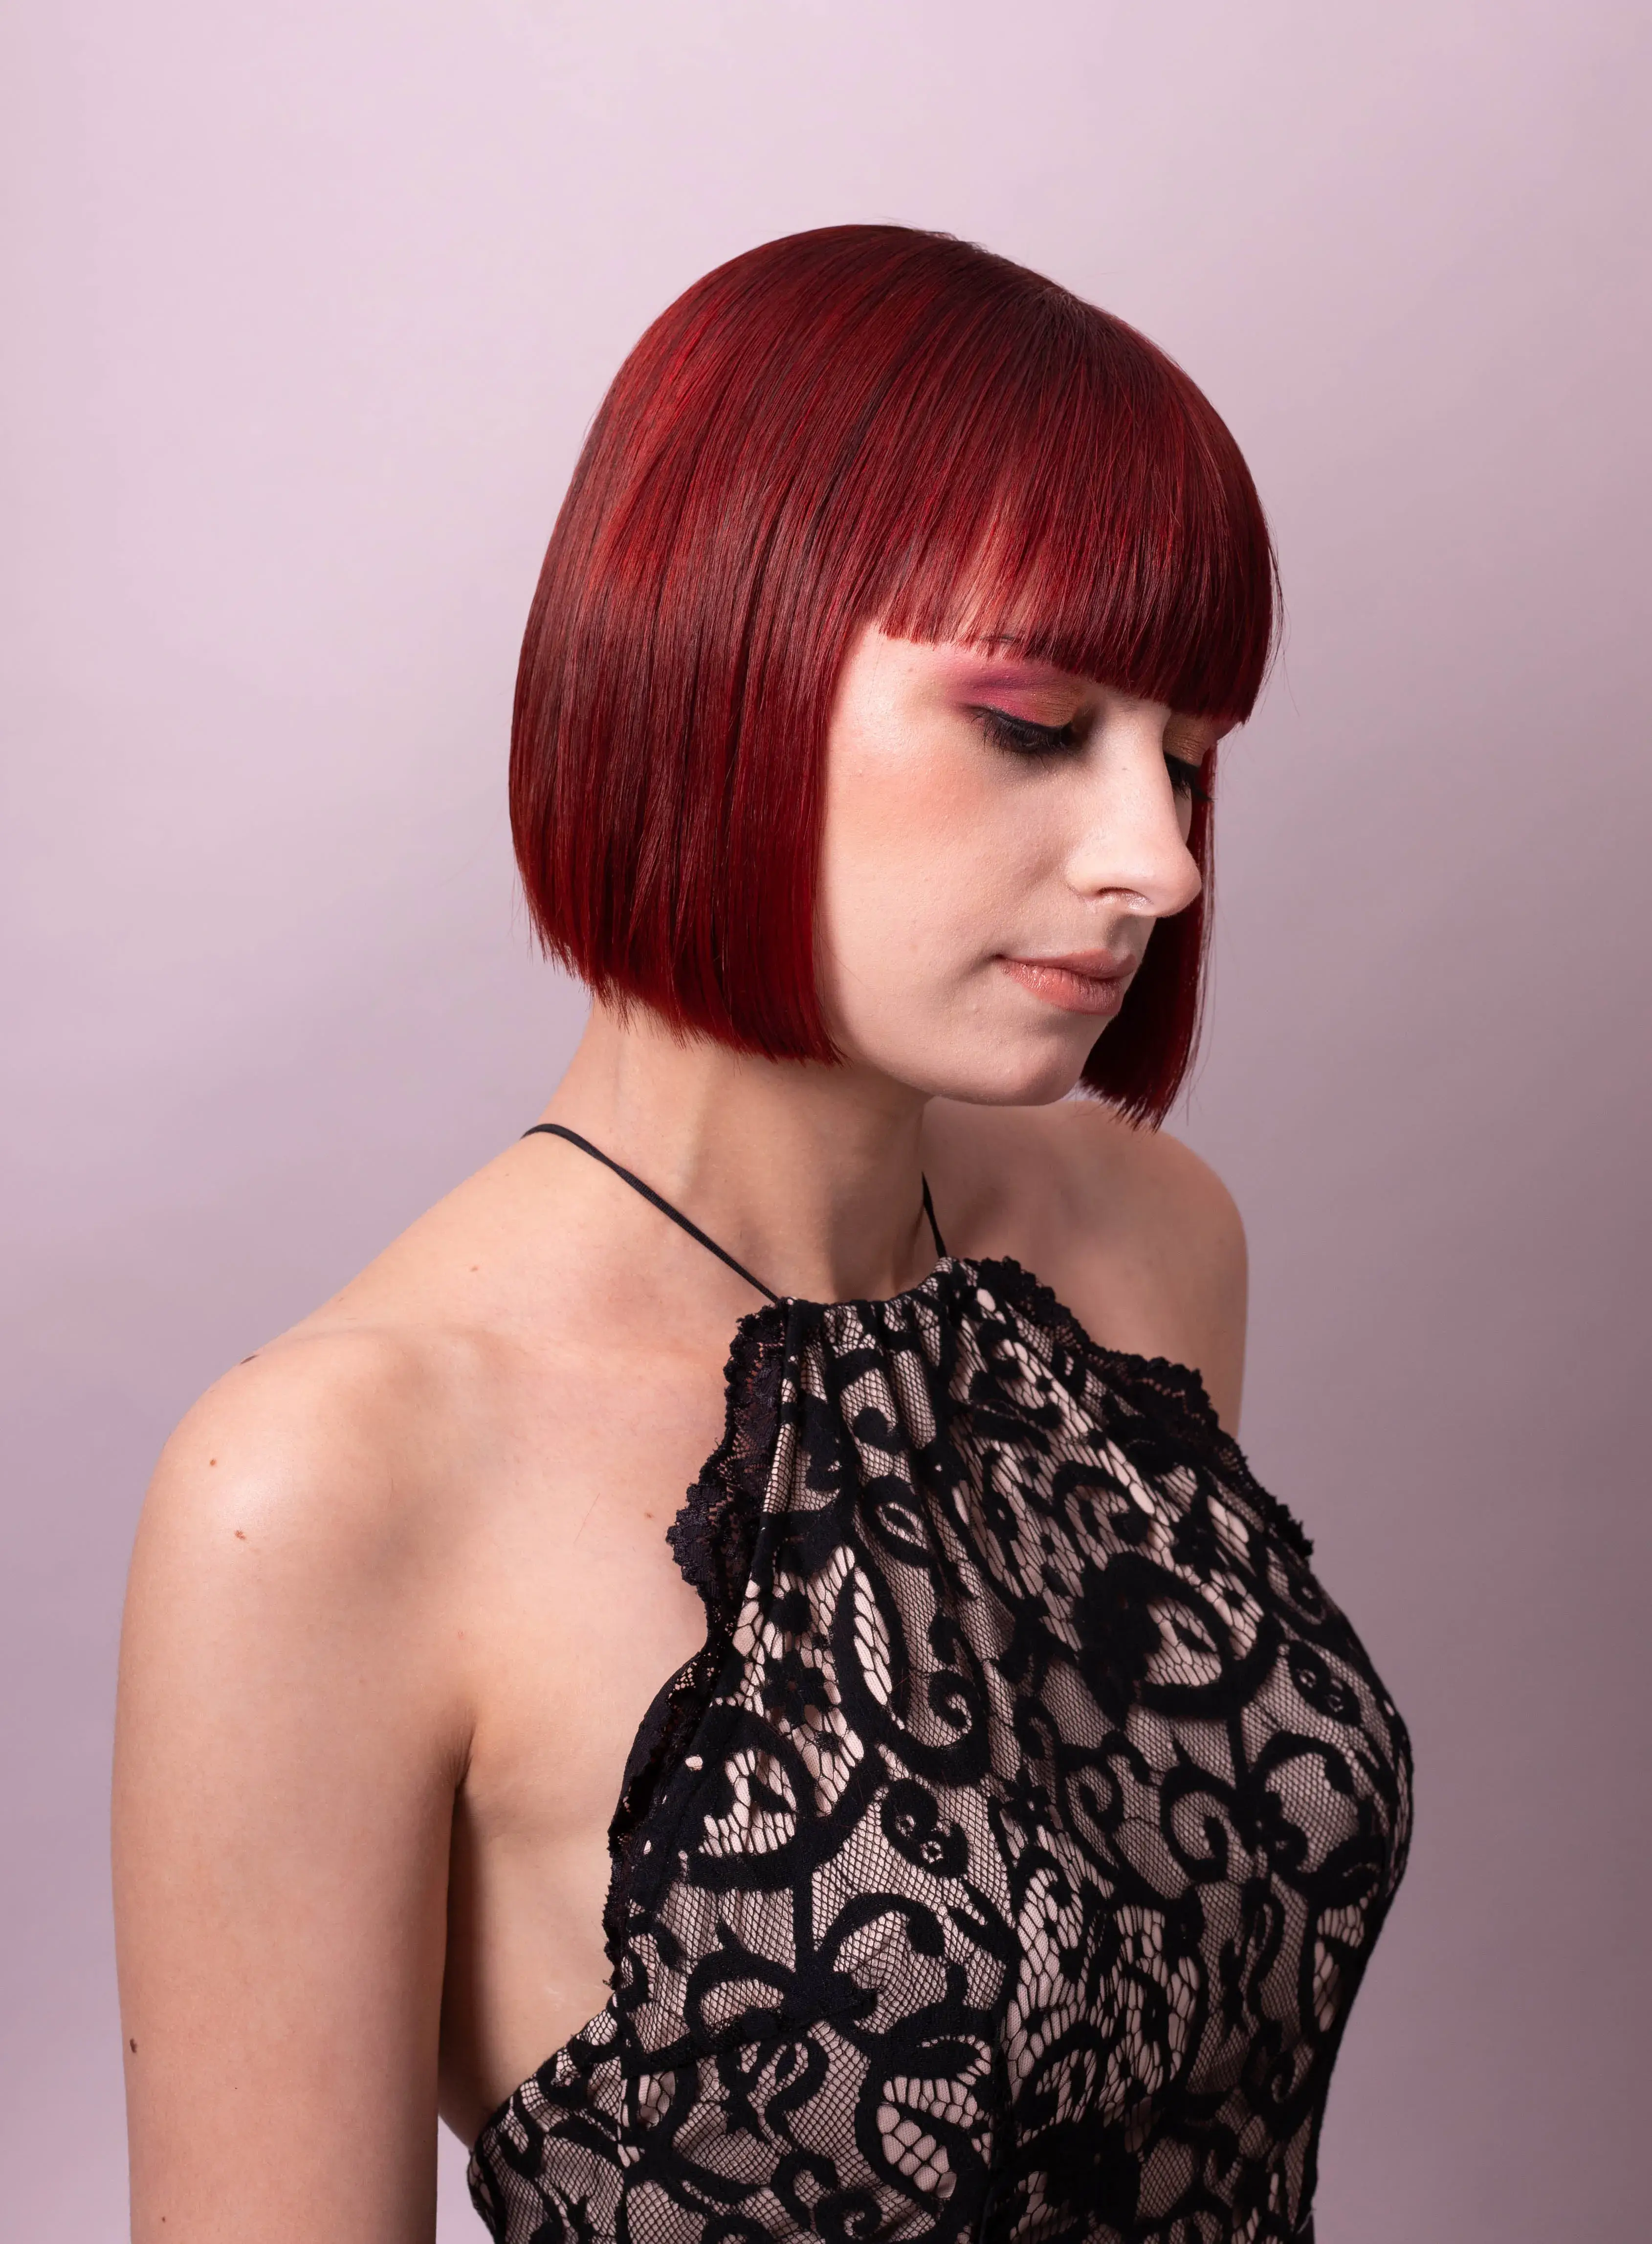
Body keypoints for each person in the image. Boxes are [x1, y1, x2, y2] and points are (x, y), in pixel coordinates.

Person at [113, 224, 1412, 2244]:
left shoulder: (1144, 1252)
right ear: (722, 652)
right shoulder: (330, 1481)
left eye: (1184, 755)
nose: (1155, 859)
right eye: (1031, 722)